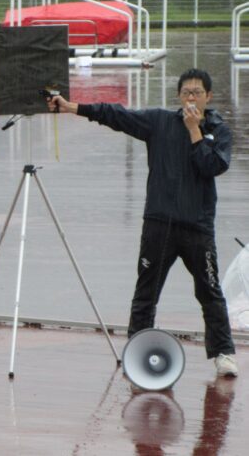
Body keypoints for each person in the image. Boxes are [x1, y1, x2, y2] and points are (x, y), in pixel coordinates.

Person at [48, 68, 238, 378]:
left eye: (197, 93)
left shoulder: (219, 131)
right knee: (146, 292)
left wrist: (195, 132)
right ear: (179, 96)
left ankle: (224, 354)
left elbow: (211, 167)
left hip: (197, 227)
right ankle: (136, 350)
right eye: (186, 92)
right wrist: (73, 107)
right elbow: (117, 115)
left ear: (208, 97)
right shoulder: (160, 122)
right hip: (159, 224)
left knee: (210, 292)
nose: (191, 97)